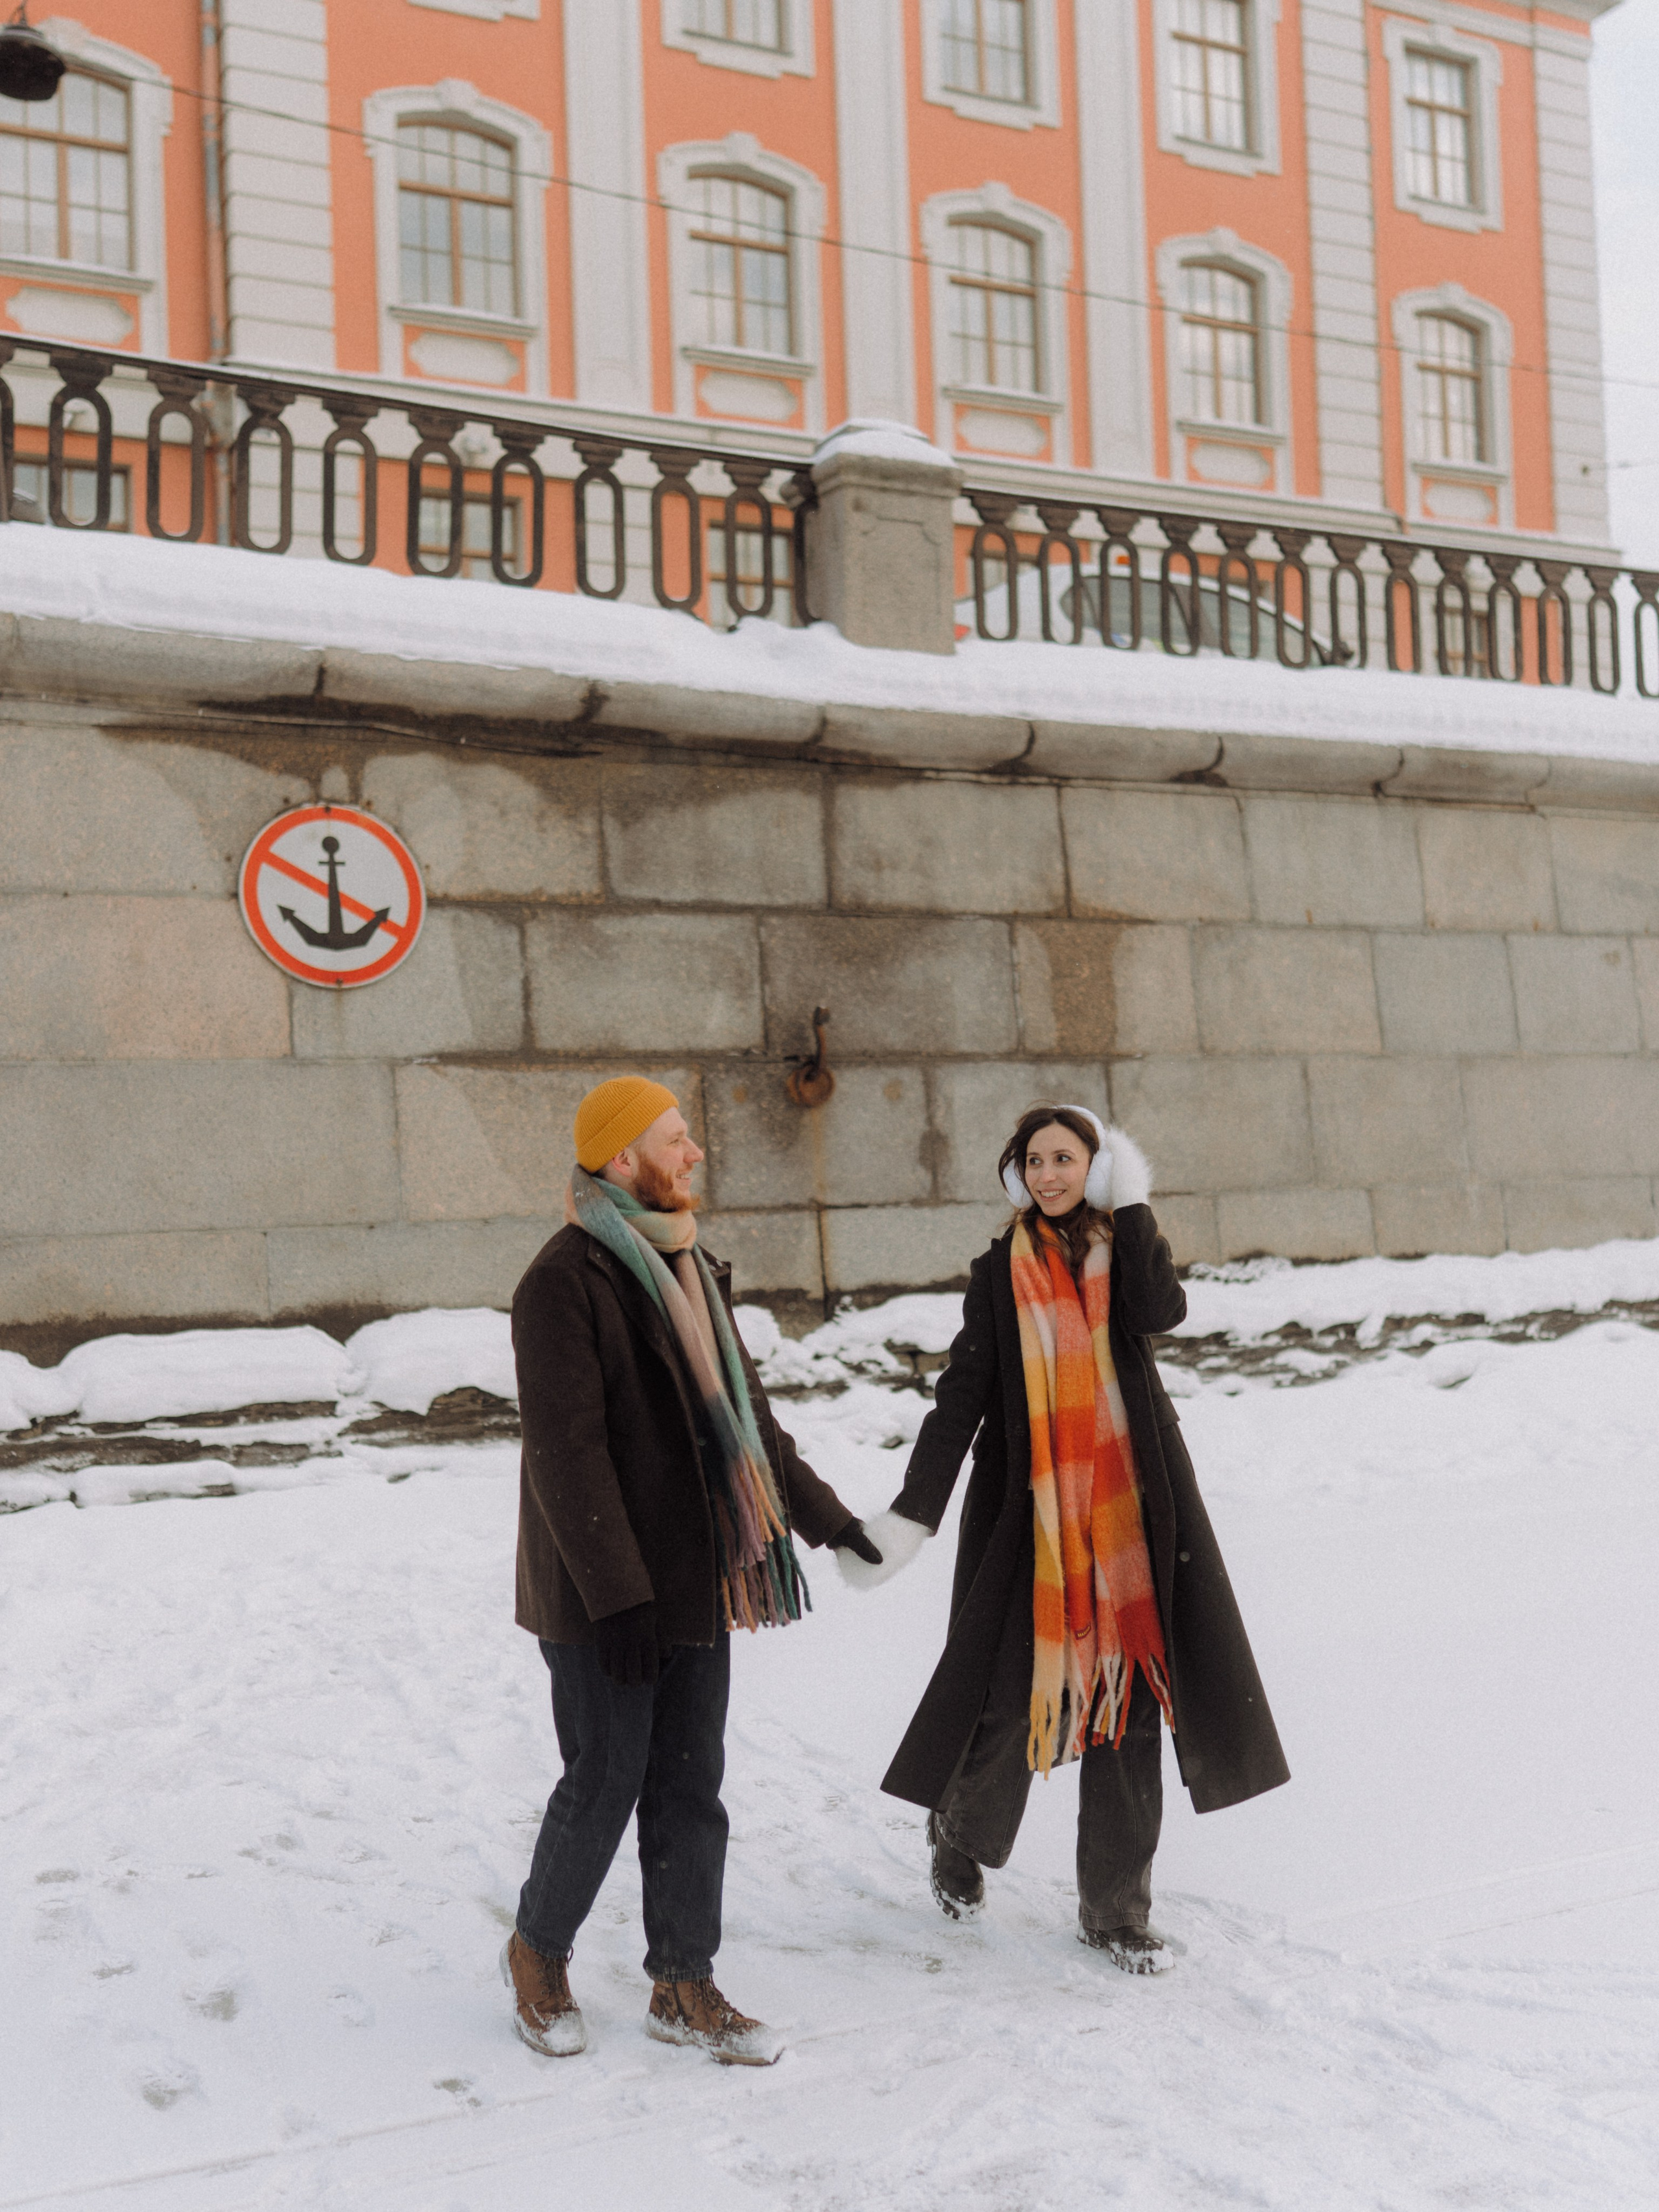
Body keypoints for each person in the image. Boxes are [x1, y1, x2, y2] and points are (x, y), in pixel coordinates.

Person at [842, 1104, 1288, 1972]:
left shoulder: (1124, 1255)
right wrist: (913, 1512)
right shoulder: (998, 1273)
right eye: (1033, 1160)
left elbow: (1167, 1309)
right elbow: (960, 1397)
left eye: (1067, 1158)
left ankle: (1116, 1912)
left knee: (1129, 1704)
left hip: (1130, 1520)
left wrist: (1131, 1209)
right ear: (1016, 1174)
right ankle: (958, 1835)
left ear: (1098, 1167)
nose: (1049, 1174)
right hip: (1031, 1523)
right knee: (1011, 1699)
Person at [502, 1075, 881, 2062]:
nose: (696, 1150)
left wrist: (828, 1522)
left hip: (695, 1574)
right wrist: (618, 1596)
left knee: (688, 1779)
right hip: (604, 1592)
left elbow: (749, 1426)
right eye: (678, 1137)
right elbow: (567, 1452)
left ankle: (683, 1980)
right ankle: (538, 1949)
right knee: (607, 1774)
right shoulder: (563, 1280)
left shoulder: (692, 1265)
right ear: (624, 1158)